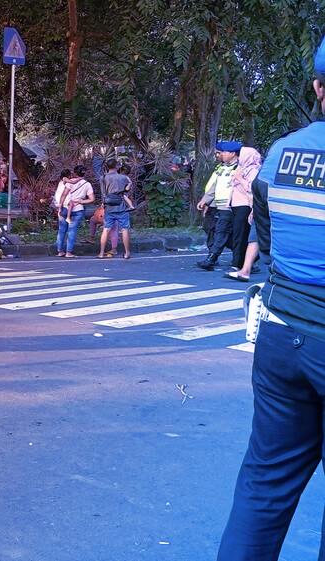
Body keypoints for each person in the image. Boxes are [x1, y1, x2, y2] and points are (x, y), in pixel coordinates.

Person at [217, 35, 325, 561]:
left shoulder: (281, 154)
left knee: (265, 483)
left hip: (282, 335)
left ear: (318, 86)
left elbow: (271, 243)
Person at [198, 144, 261, 271]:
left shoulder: (246, 168)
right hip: (220, 205)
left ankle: (213, 258)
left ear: (232, 153)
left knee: (223, 231)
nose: (219, 154)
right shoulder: (221, 167)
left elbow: (251, 188)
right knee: (214, 230)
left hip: (235, 206)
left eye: (223, 152)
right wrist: (205, 200)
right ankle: (249, 257)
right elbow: (214, 185)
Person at [98, 159, 135, 259]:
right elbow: (127, 190)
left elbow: (103, 193)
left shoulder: (103, 177)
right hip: (121, 207)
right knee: (125, 229)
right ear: (117, 166)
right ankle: (127, 253)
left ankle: (101, 253)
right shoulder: (123, 178)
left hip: (109, 207)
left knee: (106, 230)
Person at [54, 165, 94, 258]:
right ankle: (69, 252)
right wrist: (81, 201)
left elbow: (63, 195)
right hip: (78, 209)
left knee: (61, 230)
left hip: (64, 208)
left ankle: (60, 251)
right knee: (72, 231)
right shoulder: (87, 184)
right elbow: (92, 199)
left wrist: (60, 206)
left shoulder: (70, 182)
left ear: (75, 173)